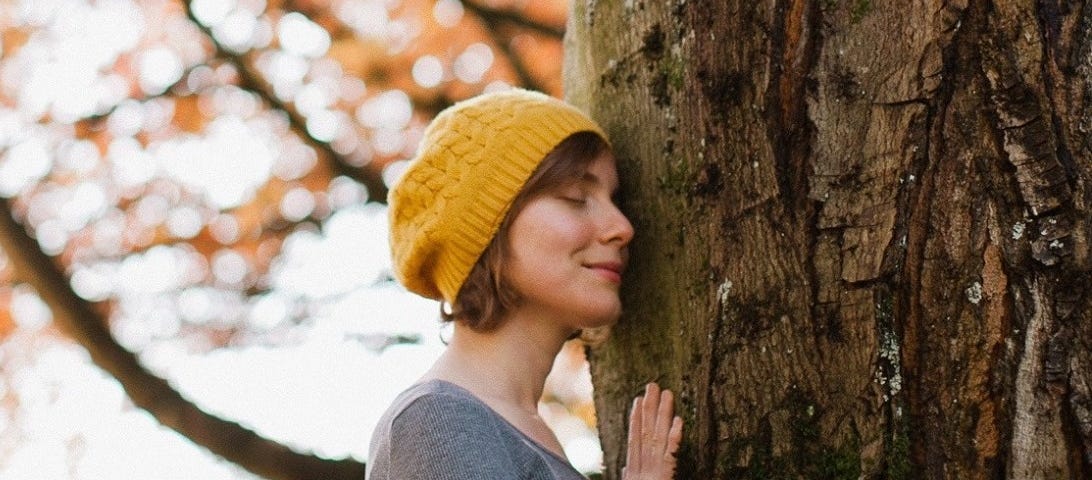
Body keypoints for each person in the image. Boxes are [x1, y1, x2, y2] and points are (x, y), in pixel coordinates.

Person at [368, 89, 683, 480]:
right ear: (488, 231)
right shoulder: (438, 422)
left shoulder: (514, 430)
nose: (622, 228)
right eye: (575, 197)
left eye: (614, 199)